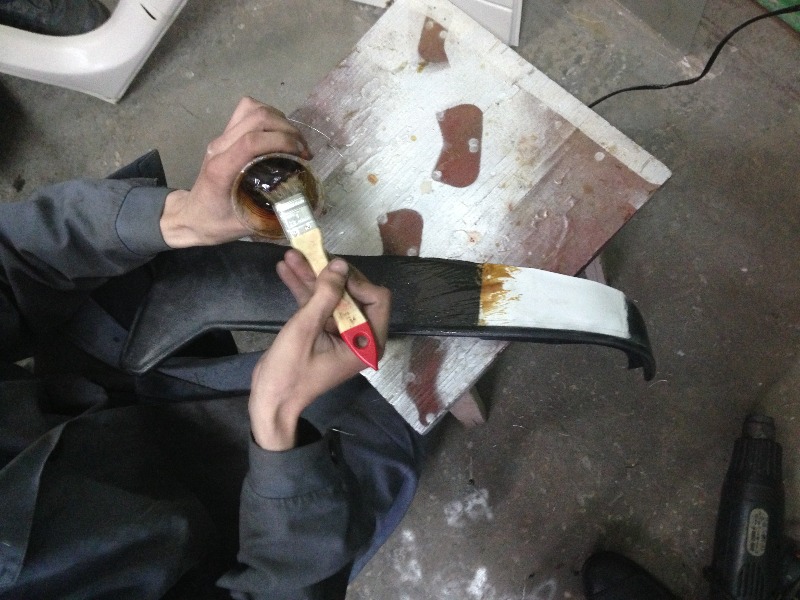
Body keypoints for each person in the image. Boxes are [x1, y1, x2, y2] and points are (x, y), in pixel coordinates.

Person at [0, 97, 423, 599]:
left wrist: (180, 219)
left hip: (79, 391)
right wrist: (277, 424)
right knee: (385, 420)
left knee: (169, 263)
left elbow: (10, 261)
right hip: (227, 536)